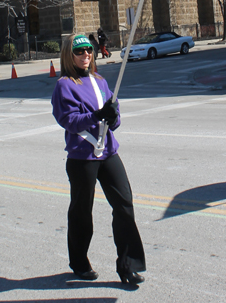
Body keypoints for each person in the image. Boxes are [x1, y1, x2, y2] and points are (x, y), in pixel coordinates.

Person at [51, 34, 146, 285]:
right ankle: (79, 262)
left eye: (89, 51)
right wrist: (97, 115)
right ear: (69, 55)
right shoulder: (64, 85)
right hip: (82, 156)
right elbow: (69, 121)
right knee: (82, 211)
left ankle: (128, 265)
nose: (86, 55)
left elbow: (113, 118)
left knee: (124, 204)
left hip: (108, 152)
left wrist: (113, 116)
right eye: (80, 51)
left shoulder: (100, 81)